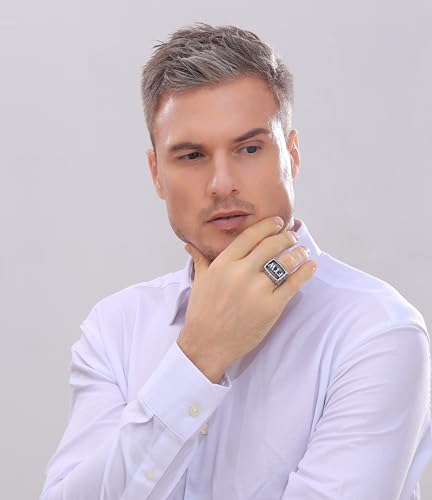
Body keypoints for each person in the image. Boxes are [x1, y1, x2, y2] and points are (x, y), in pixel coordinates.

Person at [40, 22, 432, 500]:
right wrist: (198, 357)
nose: (222, 183)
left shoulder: (375, 331)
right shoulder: (115, 329)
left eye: (249, 148)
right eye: (191, 156)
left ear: (292, 155)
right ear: (156, 174)